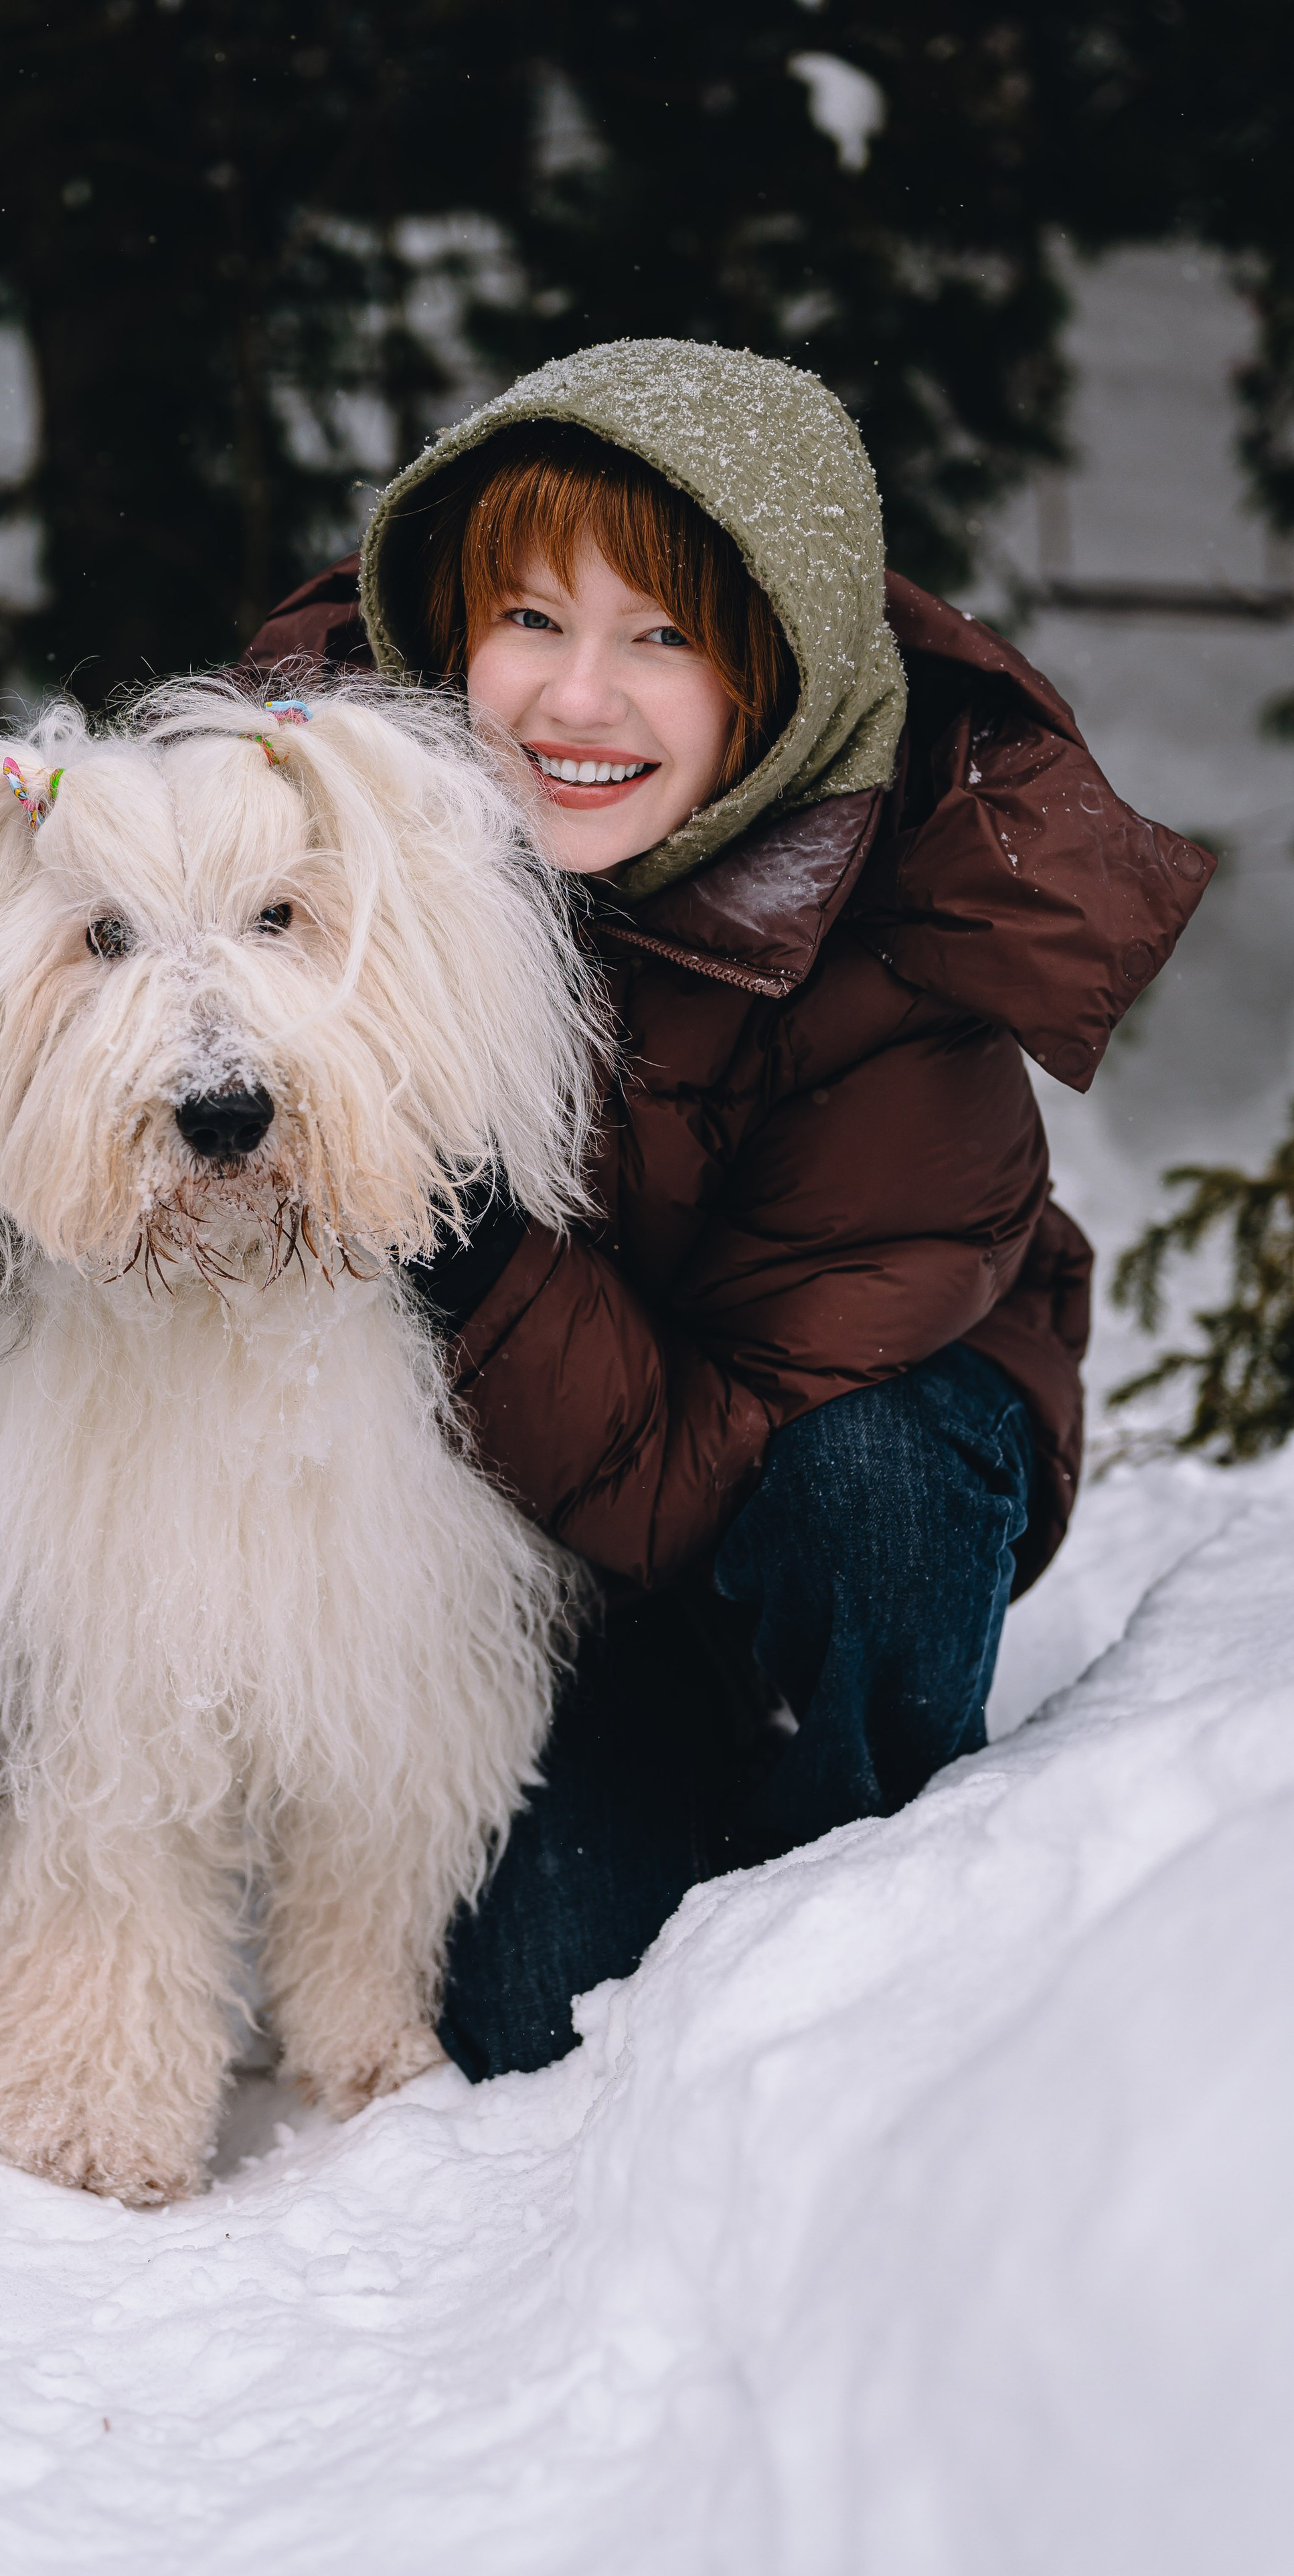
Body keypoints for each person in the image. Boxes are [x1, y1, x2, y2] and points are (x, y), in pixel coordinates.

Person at [244, 341, 1214, 2081]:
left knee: (872, 1491)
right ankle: (646, 1754)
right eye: (528, 619)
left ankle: (863, 1848)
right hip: (532, 1537)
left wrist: (470, 1237)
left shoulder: (912, 961)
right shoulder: (326, 858)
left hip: (808, 1471)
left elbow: (713, 1456)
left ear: (778, 671)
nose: (575, 700)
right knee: (538, 2015)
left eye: (663, 638)